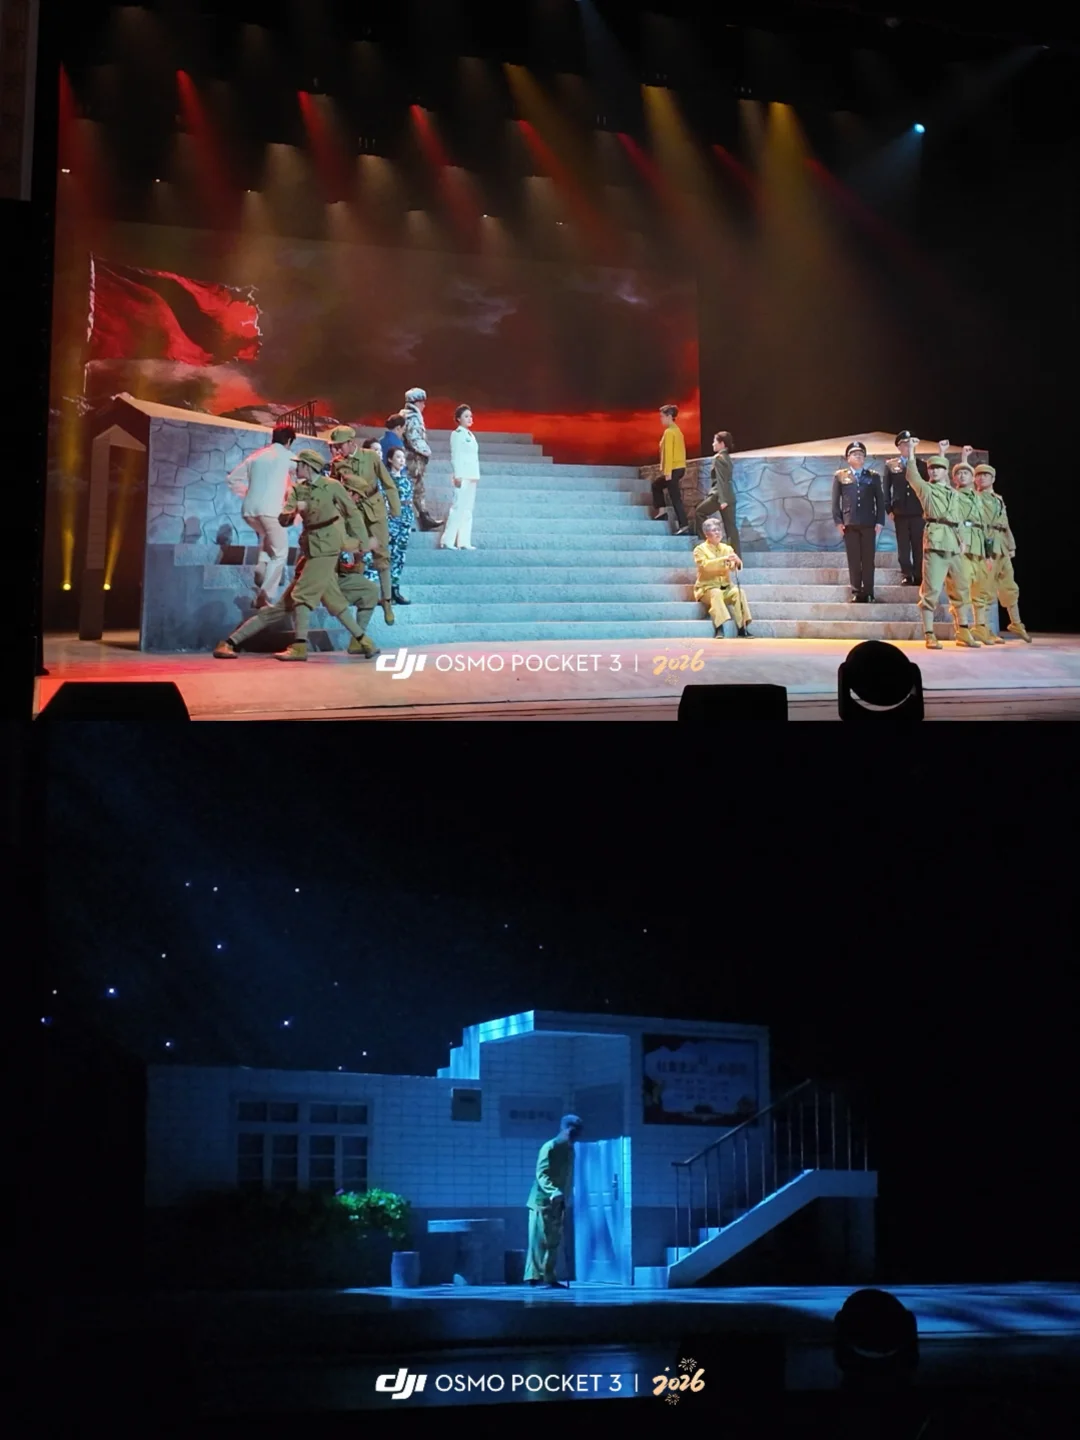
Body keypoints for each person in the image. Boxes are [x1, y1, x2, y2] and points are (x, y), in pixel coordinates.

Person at [213, 450, 377, 660]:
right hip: (310, 553)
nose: (296, 467)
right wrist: (291, 512)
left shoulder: (332, 488)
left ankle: (300, 646)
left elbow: (352, 516)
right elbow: (284, 519)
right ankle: (230, 643)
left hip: (326, 551)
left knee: (302, 596)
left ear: (308, 466)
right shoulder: (298, 489)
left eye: (299, 464)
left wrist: (362, 543)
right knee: (287, 608)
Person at [901, 445, 979, 649]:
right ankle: (929, 633)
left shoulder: (954, 493)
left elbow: (959, 518)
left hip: (954, 542)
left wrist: (964, 541)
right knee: (931, 590)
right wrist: (911, 451)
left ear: (946, 471)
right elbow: (912, 476)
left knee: (961, 588)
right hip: (936, 542)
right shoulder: (927, 489)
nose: (934, 471)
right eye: (931, 468)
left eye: (939, 468)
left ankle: (963, 631)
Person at [328, 426, 399, 625]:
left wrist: (395, 509)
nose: (337, 449)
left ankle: (387, 601)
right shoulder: (337, 464)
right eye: (335, 446)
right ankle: (360, 596)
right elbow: (332, 489)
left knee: (382, 556)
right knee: (357, 553)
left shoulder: (371, 457)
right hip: (354, 512)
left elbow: (388, 483)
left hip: (375, 509)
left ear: (351, 442)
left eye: (340, 445)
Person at [225, 425, 298, 607]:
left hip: (249, 511)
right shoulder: (288, 456)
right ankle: (265, 596)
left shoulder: (257, 456)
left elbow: (232, 479)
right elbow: (302, 473)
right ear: (289, 441)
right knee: (280, 553)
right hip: (272, 511)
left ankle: (261, 566)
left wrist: (248, 493)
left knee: (267, 538)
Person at [971, 462, 1030, 643]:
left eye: (985, 475)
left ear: (993, 478)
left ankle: (1016, 622)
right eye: (978, 475)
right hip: (986, 544)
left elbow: (1005, 523)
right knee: (984, 587)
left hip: (1001, 545)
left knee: (1009, 585)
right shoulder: (975, 498)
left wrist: (1011, 545)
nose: (982, 478)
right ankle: (982, 627)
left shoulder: (998, 499)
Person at [525, 1114, 583, 1288]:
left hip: (559, 1201)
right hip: (541, 1201)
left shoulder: (570, 1151)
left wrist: (565, 1196)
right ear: (564, 1129)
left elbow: (568, 1176)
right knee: (538, 1240)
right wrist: (553, 1191)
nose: (574, 1136)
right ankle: (534, 1277)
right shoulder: (549, 1147)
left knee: (554, 1241)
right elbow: (541, 1173)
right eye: (572, 1132)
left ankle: (549, 1276)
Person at [832, 441, 885, 603]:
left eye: (861, 454)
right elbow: (835, 501)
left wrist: (880, 521)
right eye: (855, 454)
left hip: (869, 524)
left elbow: (880, 500)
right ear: (848, 458)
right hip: (850, 524)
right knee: (854, 559)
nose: (858, 456)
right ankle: (856, 591)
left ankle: (868, 592)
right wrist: (838, 521)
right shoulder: (840, 476)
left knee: (868, 560)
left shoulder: (873, 476)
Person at [364, 443, 414, 605]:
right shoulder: (384, 480)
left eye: (403, 457)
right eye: (398, 457)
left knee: (399, 556)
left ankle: (394, 590)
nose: (402, 460)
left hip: (404, 521)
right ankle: (378, 591)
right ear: (390, 460)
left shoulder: (406, 480)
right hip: (390, 521)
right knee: (385, 555)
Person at [693, 516, 752, 637]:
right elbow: (705, 566)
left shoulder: (727, 548)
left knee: (739, 592)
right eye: (714, 530)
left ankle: (742, 627)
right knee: (716, 593)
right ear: (706, 534)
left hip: (726, 587)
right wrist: (724, 559)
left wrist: (737, 562)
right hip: (707, 588)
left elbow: (732, 567)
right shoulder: (699, 550)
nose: (717, 533)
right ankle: (719, 627)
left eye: (719, 530)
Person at [884, 430, 928, 586]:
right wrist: (888, 509)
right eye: (904, 444)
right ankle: (907, 574)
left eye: (910, 444)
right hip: (900, 511)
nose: (908, 447)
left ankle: (918, 575)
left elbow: (927, 489)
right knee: (903, 546)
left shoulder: (922, 465)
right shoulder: (891, 465)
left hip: (918, 511)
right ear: (899, 447)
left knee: (918, 545)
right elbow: (886, 489)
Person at [441, 403, 480, 550]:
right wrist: (457, 475)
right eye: (466, 416)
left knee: (468, 509)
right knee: (458, 507)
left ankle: (464, 541)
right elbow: (456, 455)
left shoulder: (470, 435)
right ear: (458, 419)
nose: (469, 419)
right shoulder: (457, 434)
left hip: (472, 475)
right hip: (462, 475)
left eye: (470, 416)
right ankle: (447, 540)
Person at [695, 431, 739, 553]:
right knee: (731, 529)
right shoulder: (727, 458)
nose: (713, 444)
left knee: (699, 512)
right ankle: (736, 558)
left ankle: (707, 545)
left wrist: (722, 500)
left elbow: (720, 479)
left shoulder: (719, 458)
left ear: (722, 443)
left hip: (719, 496)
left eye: (715, 441)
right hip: (729, 496)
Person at [402, 387, 439, 530]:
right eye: (422, 402)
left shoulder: (408, 416)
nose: (424, 405)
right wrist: (426, 451)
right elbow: (414, 438)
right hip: (412, 460)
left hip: (413, 459)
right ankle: (410, 520)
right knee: (412, 489)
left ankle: (424, 517)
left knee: (418, 489)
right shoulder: (412, 418)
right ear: (417, 402)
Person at [654, 405, 691, 535]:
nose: (661, 419)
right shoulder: (677, 431)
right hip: (679, 467)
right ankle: (662, 511)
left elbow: (668, 453)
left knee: (675, 497)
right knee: (657, 485)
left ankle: (684, 524)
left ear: (669, 416)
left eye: (662, 416)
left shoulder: (670, 432)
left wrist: (667, 471)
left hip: (674, 469)